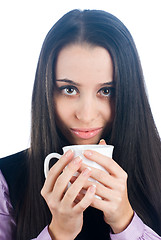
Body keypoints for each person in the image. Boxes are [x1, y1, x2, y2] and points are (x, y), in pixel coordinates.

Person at [0, 9, 161, 240]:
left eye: (106, 91)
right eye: (69, 90)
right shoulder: (6, 181)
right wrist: (58, 233)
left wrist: (126, 223)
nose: (86, 116)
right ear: (46, 91)